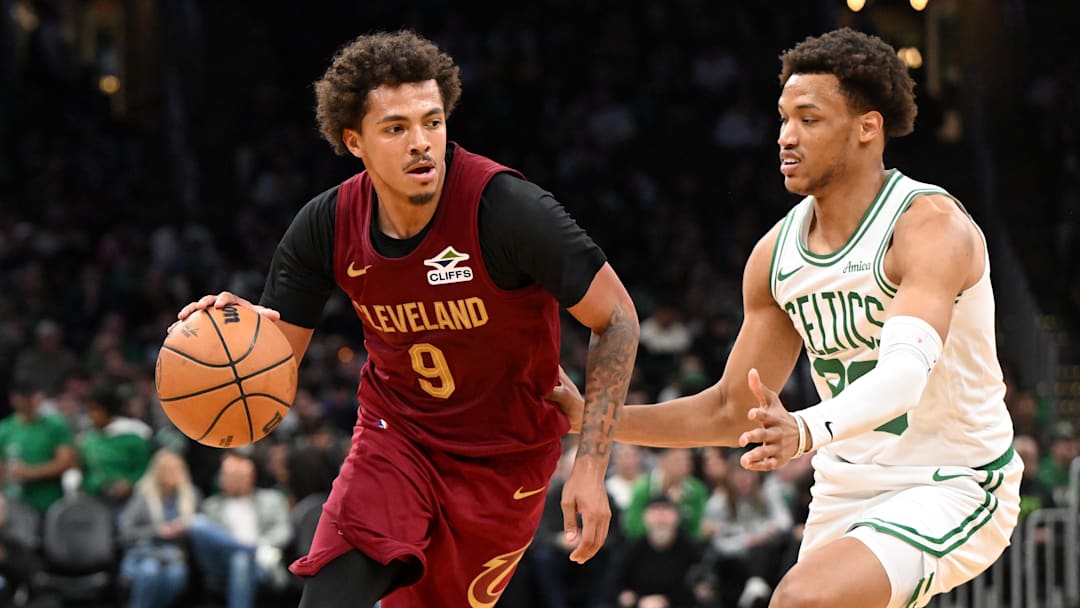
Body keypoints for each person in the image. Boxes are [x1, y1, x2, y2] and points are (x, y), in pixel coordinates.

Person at [552, 28, 1021, 608]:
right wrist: (592, 419)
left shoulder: (929, 228)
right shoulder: (776, 256)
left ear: (867, 128)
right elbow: (731, 411)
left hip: (952, 480)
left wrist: (801, 429)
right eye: (782, 119)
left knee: (799, 599)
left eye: (809, 119)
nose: (785, 137)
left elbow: (904, 377)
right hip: (846, 485)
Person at [171, 30, 638, 608]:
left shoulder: (507, 211)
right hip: (400, 437)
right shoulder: (325, 225)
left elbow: (616, 318)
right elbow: (276, 364)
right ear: (354, 140)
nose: (422, 143)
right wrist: (233, 335)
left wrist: (591, 464)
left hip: (506, 458)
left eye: (432, 122)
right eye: (396, 128)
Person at [187, 453, 293, 608]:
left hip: (262, 565)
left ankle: (250, 550)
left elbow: (285, 530)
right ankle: (252, 549)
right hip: (223, 563)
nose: (228, 480)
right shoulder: (211, 506)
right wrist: (256, 548)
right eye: (225, 475)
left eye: (236, 476)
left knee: (241, 560)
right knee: (197, 524)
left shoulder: (272, 499)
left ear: (251, 476)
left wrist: (263, 543)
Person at [118, 449, 202, 608]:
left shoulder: (192, 496)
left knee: (176, 575)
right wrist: (157, 531)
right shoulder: (143, 497)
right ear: (157, 472)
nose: (172, 474)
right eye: (167, 470)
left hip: (175, 556)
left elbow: (198, 532)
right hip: (144, 552)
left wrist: (182, 529)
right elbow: (125, 531)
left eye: (177, 469)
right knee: (150, 571)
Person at [0, 380, 76, 514]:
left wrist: (30, 472)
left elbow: (66, 462)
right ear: (15, 399)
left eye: (34, 397)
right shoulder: (4, 429)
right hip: (15, 503)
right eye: (26, 398)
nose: (32, 402)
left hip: (49, 502)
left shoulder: (56, 425)